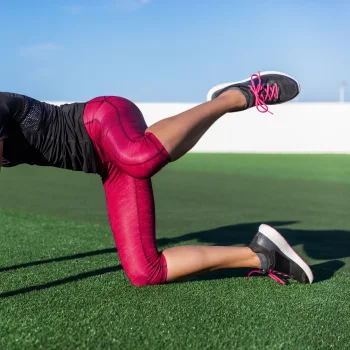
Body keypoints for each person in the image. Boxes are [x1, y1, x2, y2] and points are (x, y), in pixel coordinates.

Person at [0, 71, 313, 286]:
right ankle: (263, 255)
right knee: (144, 271)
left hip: (105, 119)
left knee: (140, 157)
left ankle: (234, 97)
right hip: (108, 166)